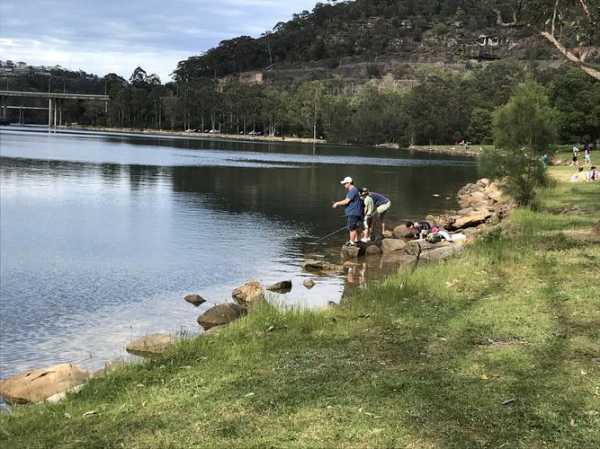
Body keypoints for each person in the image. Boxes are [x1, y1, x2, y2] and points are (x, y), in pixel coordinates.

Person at [332, 177, 364, 246]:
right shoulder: (355, 190)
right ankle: (356, 241)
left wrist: (337, 203)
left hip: (353, 213)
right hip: (356, 212)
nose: (344, 185)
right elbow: (352, 202)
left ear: (349, 183)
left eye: (345, 183)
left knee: (352, 228)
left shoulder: (352, 190)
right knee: (355, 227)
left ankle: (352, 242)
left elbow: (346, 201)